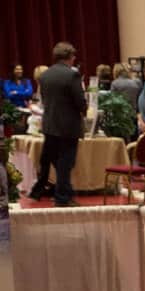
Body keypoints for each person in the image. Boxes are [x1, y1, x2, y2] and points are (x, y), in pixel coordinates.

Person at [29, 42, 87, 206]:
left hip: (49, 125)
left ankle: (65, 193)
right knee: (66, 162)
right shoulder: (72, 75)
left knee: (57, 160)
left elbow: (45, 100)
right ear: (70, 57)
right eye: (74, 56)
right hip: (68, 125)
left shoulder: (45, 75)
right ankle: (62, 198)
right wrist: (84, 109)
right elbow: (80, 101)